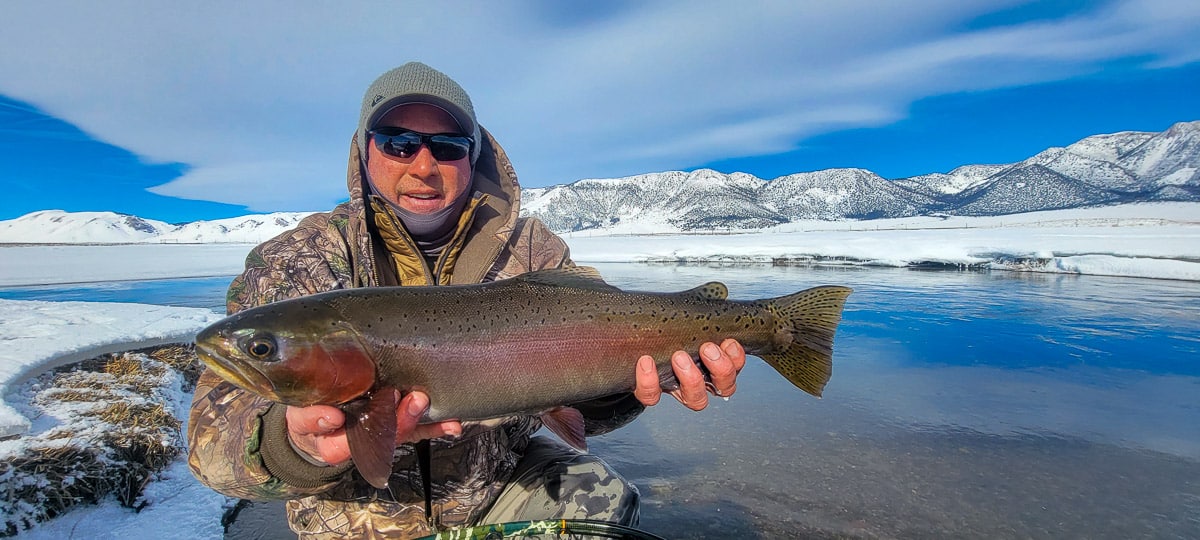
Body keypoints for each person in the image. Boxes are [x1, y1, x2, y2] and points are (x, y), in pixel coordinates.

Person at [187, 61, 746, 539]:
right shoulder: (298, 260)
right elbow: (211, 445)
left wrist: (632, 389)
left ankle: (784, 330)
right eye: (398, 142)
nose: (423, 165)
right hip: (355, 517)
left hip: (496, 497)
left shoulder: (536, 251)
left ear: (473, 155)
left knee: (598, 495)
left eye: (448, 146)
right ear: (364, 151)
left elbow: (585, 401)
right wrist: (296, 446)